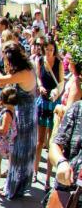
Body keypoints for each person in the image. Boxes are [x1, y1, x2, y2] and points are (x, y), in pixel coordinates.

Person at [0, 42, 38, 199]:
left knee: (18, 151)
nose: (6, 64)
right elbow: (8, 83)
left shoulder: (25, 72)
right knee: (18, 151)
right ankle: (14, 184)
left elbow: (3, 79)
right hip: (23, 112)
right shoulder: (25, 69)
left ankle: (13, 187)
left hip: (24, 115)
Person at [36, 39, 64, 190]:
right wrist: (40, 87)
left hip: (53, 103)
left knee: (51, 142)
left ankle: (47, 178)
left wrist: (56, 93)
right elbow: (38, 78)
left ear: (55, 50)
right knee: (40, 140)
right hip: (42, 101)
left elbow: (61, 83)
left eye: (51, 50)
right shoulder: (40, 61)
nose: (49, 52)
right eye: (47, 49)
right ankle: (35, 172)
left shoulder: (59, 63)